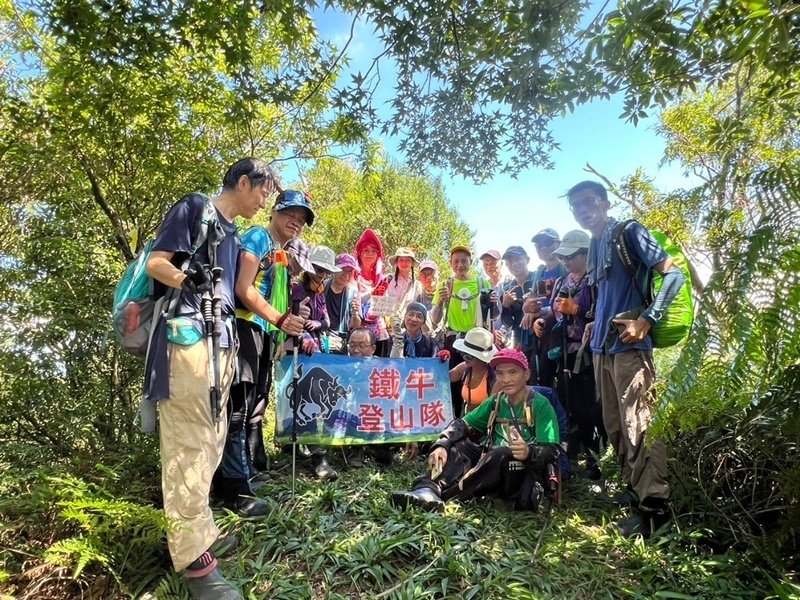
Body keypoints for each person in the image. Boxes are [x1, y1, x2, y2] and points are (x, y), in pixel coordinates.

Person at [144, 158, 304, 599]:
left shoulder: (233, 233)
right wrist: (185, 275)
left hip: (221, 349)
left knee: (212, 439)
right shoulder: (196, 208)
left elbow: (241, 293)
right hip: (186, 344)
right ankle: (196, 568)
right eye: (262, 193)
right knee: (189, 446)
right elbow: (157, 262)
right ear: (244, 181)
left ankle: (201, 535)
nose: (263, 202)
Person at [567, 180, 685, 537]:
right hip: (604, 348)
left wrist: (648, 320)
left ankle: (655, 508)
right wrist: (592, 324)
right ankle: (635, 494)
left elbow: (673, 273)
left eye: (589, 203)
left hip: (631, 348)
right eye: (576, 207)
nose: (583, 210)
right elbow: (607, 295)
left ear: (604, 202)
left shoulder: (628, 232)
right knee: (615, 425)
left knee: (640, 425)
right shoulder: (595, 244)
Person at [215, 190, 315, 517]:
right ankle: (233, 487)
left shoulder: (281, 252)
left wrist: (283, 321)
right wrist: (281, 319)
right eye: (290, 215)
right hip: (242, 327)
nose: (295, 223)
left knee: (255, 403)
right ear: (274, 211)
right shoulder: (258, 236)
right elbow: (243, 288)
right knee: (238, 407)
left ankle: (245, 471)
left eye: (301, 220)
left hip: (261, 333)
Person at [389, 348, 560, 512]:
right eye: (500, 373)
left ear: (526, 374)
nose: (506, 379)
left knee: (501, 453)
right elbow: (461, 424)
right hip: (491, 464)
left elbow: (551, 451)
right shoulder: (496, 401)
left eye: (513, 372)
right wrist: (443, 443)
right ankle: (427, 489)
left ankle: (444, 497)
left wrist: (528, 452)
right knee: (458, 446)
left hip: (517, 473)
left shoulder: (540, 404)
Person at [534, 230, 606, 480]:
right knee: (573, 407)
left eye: (570, 255)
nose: (565, 260)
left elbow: (604, 314)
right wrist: (542, 320)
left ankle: (600, 462)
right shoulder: (565, 280)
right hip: (565, 355)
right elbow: (554, 309)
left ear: (586, 253)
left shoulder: (596, 280)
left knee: (595, 409)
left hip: (592, 354)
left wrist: (579, 309)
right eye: (562, 256)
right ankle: (581, 458)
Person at [290, 244, 340, 480]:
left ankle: (318, 455)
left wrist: (317, 326)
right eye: (318, 269)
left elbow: (326, 321)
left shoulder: (320, 291)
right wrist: (304, 334)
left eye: (325, 271)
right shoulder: (297, 288)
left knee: (316, 403)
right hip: (295, 351)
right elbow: (290, 317)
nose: (321, 274)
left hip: (316, 352)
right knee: (295, 399)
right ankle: (292, 447)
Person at [431, 245, 496, 417]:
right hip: (454, 340)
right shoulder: (445, 285)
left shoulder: (482, 284)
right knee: (452, 382)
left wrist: (494, 303)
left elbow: (494, 315)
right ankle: (453, 421)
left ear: (471, 263)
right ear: (451, 264)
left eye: (464, 261)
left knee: (479, 380)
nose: (460, 265)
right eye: (456, 261)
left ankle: (479, 419)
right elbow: (435, 319)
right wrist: (440, 302)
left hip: (477, 342)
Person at [521, 229, 567, 387]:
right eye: (538, 244)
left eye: (548, 242)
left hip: (561, 333)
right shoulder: (539, 273)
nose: (543, 247)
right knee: (540, 379)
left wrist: (541, 313)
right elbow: (530, 301)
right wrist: (527, 309)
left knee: (562, 381)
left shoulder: (566, 268)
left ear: (558, 244)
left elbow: (566, 303)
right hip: (539, 335)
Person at [354, 229, 391, 356]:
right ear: (359, 253)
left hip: (380, 333)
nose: (370, 254)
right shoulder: (353, 276)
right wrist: (372, 293)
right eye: (366, 250)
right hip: (359, 335)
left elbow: (386, 308)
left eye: (373, 251)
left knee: (379, 370)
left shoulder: (382, 278)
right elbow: (352, 300)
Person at [449, 327, 497, 415]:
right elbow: (443, 377)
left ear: (481, 358)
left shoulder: (494, 378)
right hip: (466, 420)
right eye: (462, 353)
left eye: (469, 356)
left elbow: (493, 408)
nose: (464, 357)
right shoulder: (464, 368)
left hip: (483, 424)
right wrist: (441, 362)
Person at [500, 246, 537, 353]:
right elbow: (508, 323)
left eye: (518, 259)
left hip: (540, 335)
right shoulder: (507, 289)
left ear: (527, 259)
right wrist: (505, 306)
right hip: (519, 341)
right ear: (506, 265)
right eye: (510, 261)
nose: (514, 263)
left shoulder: (538, 278)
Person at [324, 253, 362, 354]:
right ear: (333, 269)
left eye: (350, 271)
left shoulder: (353, 294)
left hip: (341, 342)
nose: (346, 275)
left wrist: (355, 314)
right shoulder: (321, 288)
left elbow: (356, 326)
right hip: (321, 339)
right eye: (343, 270)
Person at [479, 249, 505, 331]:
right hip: (487, 334)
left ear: (501, 264)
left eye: (492, 263)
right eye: (485, 264)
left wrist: (503, 332)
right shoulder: (483, 287)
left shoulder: (508, 284)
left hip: (506, 335)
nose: (489, 267)